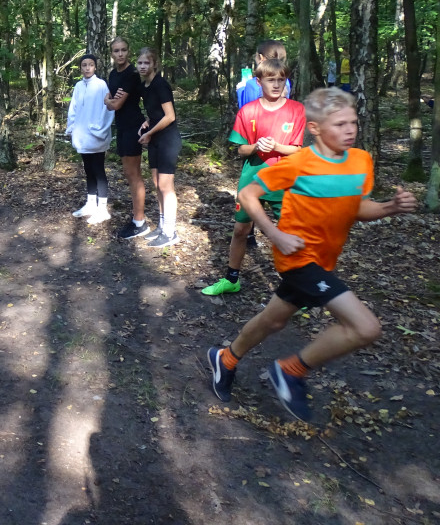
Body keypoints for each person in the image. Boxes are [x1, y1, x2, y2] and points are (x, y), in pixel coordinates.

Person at [206, 88, 417, 422]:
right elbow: (248, 194)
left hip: (324, 260)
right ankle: (290, 371)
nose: (350, 130)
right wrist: (274, 233)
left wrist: (389, 208)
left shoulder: (361, 161)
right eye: (340, 124)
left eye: (354, 122)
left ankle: (226, 359)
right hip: (297, 258)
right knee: (366, 328)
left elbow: (357, 207)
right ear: (316, 128)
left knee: (273, 319)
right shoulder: (299, 163)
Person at [202, 59, 306, 296]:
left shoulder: (296, 109)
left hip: (284, 181)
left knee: (288, 234)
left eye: (281, 79)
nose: (277, 84)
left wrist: (277, 146)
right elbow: (240, 150)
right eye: (271, 80)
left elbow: (298, 149)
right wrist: (257, 146)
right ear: (259, 82)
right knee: (240, 230)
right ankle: (231, 278)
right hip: (252, 181)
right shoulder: (248, 110)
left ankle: (296, 286)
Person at [137, 47, 183, 248]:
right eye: (140, 63)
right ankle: (163, 226)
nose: (142, 66)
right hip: (155, 138)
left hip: (167, 140)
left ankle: (170, 231)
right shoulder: (145, 86)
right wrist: (147, 122)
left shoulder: (160, 85)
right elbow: (156, 112)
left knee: (166, 185)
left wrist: (149, 132)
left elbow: (170, 116)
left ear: (154, 64)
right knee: (157, 183)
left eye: (147, 63)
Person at [104, 37, 149, 239]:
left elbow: (115, 104)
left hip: (133, 126)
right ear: (111, 53)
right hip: (121, 127)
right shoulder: (113, 74)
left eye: (123, 50)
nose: (120, 54)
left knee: (134, 174)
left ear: (128, 51)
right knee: (128, 173)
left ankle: (139, 222)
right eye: (116, 51)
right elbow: (110, 100)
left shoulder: (131, 74)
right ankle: (136, 218)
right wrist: (109, 100)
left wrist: (109, 100)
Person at [66, 53, 115, 225]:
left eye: (91, 65)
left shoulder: (101, 85)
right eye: (84, 65)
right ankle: (90, 204)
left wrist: (100, 129)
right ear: (80, 67)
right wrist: (71, 127)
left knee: (98, 170)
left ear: (95, 67)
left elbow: (108, 108)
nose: (87, 68)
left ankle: (102, 209)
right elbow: (74, 107)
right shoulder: (79, 86)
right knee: (88, 169)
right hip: (82, 135)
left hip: (97, 135)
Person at [237, 40, 290, 107]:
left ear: (261, 57)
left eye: (255, 56)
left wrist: (240, 89)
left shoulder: (253, 84)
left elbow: (245, 109)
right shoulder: (286, 81)